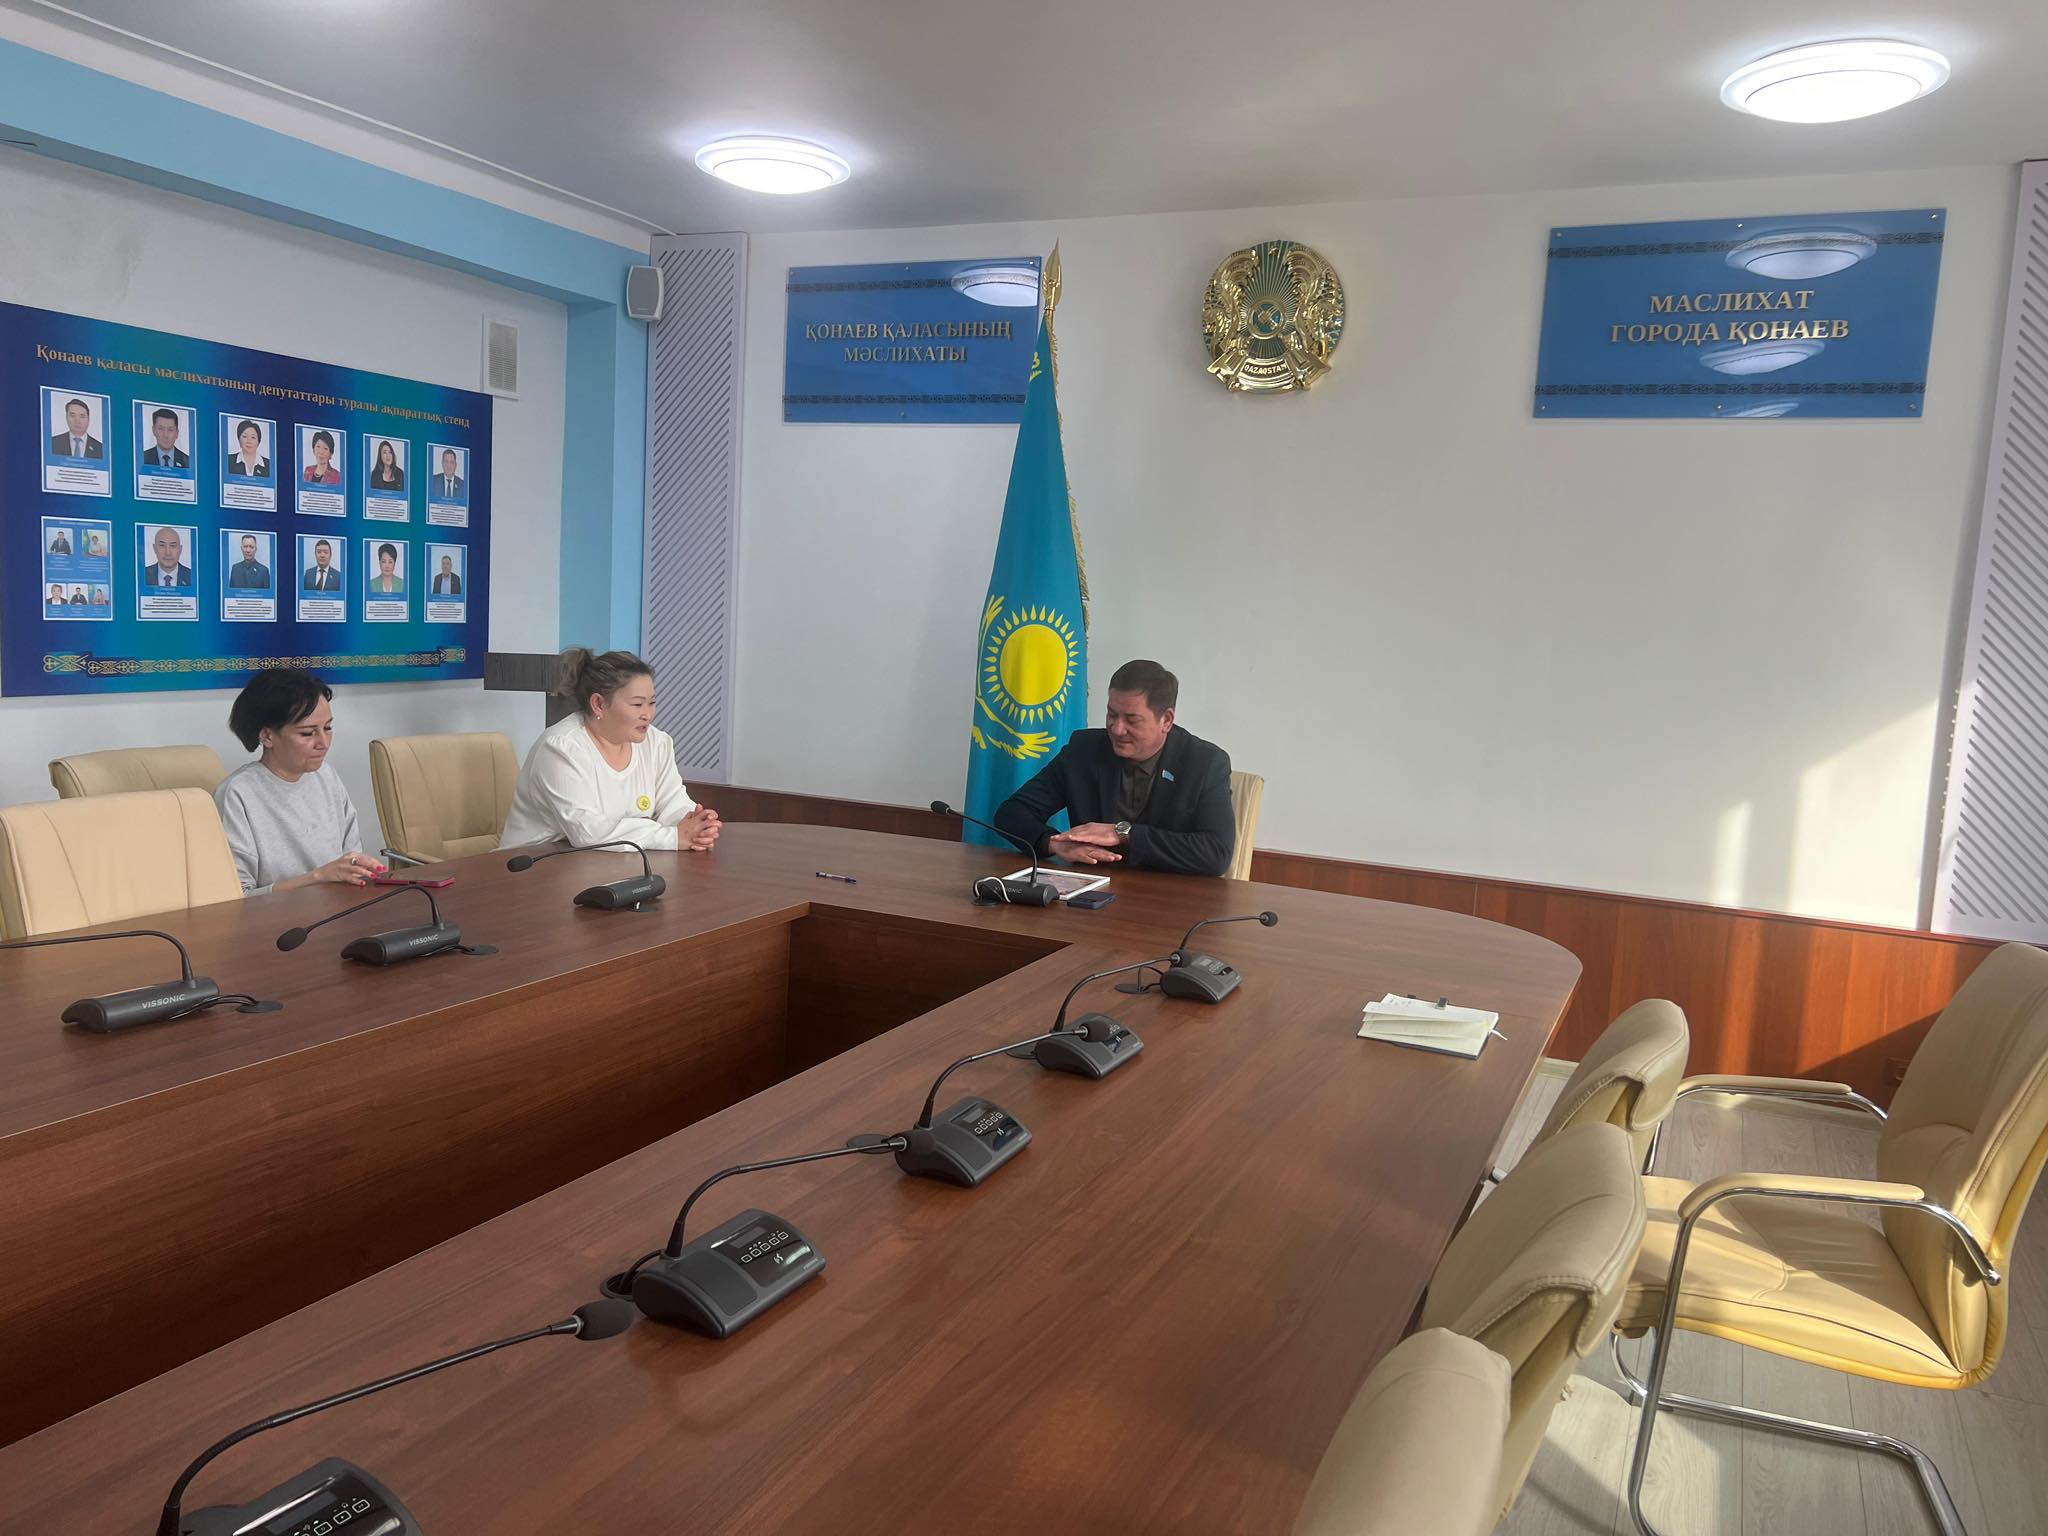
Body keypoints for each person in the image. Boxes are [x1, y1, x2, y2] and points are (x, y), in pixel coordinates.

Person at [993, 659, 1236, 877]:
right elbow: (1011, 813)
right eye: (1112, 715)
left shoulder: (1205, 763)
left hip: (1172, 897)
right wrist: (1051, 843)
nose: (1117, 729)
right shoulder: (1084, 750)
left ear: (1166, 720)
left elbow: (1216, 854)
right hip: (1092, 889)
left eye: (1132, 720)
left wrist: (1124, 833)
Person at [498, 647, 721, 854]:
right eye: (637, 704)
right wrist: (672, 837)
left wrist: (696, 824)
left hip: (607, 863)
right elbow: (587, 831)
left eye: (652, 703)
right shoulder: (560, 748)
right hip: (535, 865)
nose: (648, 714)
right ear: (599, 704)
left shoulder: (656, 742)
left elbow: (672, 800)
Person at [214, 668, 384, 895]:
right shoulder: (237, 794)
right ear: (267, 736)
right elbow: (238, 898)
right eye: (307, 733)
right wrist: (318, 877)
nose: (323, 743)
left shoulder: (327, 776)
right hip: (274, 916)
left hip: (338, 908)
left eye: (327, 728)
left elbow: (351, 860)